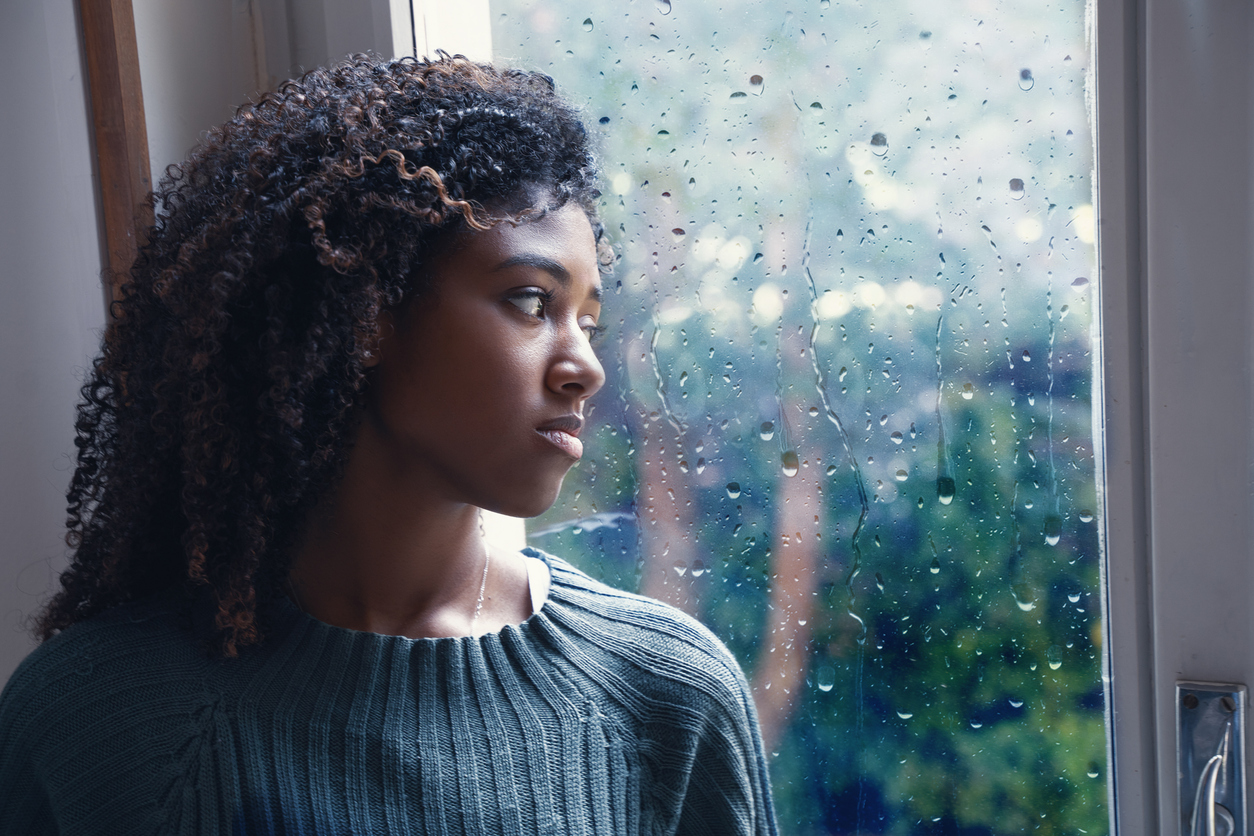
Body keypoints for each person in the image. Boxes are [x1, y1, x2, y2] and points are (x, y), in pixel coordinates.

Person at [0, 55, 777, 834]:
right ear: (367, 311)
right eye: (532, 302)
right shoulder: (98, 723)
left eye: (589, 321)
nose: (585, 368)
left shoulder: (667, 699)